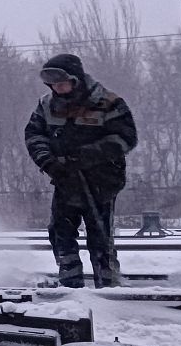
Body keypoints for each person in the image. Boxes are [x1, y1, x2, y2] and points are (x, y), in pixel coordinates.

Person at [25, 53, 137, 289]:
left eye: (62, 82)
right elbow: (34, 135)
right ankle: (70, 283)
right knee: (60, 232)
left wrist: (84, 157)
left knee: (100, 236)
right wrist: (48, 162)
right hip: (65, 179)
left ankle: (107, 285)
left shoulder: (108, 103)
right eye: (53, 83)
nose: (58, 87)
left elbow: (126, 138)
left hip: (102, 181)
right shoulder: (47, 105)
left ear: (76, 79)